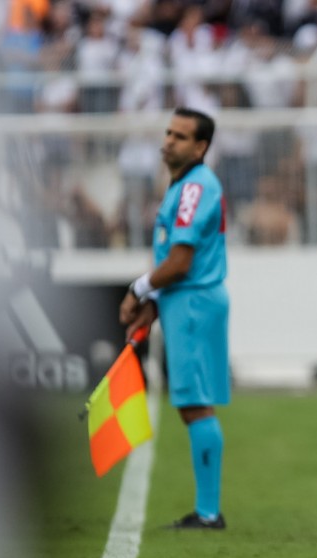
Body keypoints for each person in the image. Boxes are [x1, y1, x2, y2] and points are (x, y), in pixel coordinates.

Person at [120, 108, 230, 530]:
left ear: (201, 147)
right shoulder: (185, 185)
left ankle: (208, 513)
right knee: (191, 404)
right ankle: (206, 510)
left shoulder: (194, 188)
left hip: (193, 301)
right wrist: (152, 301)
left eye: (180, 136)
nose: (168, 141)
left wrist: (139, 289)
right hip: (184, 300)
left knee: (194, 405)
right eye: (167, 133)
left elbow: (181, 260)